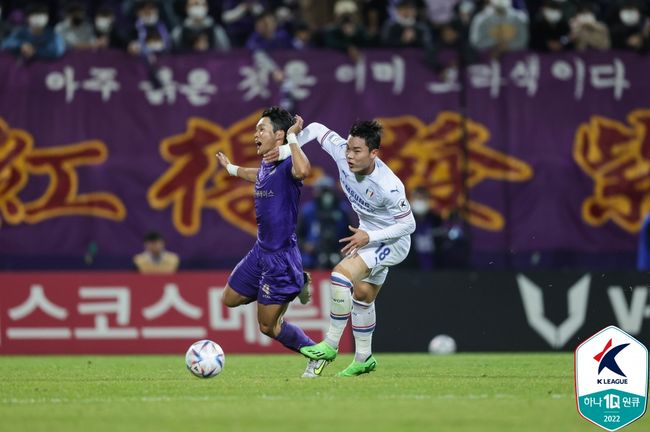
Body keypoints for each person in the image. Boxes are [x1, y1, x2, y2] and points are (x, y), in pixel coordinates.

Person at [265, 116, 416, 377]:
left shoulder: (389, 186)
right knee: (363, 297)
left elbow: (409, 225)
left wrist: (369, 238)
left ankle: (331, 344)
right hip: (367, 233)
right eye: (349, 148)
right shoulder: (341, 150)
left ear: (374, 153)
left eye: (357, 151)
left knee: (340, 275)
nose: (349, 156)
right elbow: (316, 129)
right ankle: (364, 359)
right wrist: (286, 148)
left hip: (392, 240)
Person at [215, 107, 323, 378]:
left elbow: (305, 170)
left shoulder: (288, 162)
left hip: (280, 258)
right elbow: (258, 176)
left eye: (261, 129)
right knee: (229, 298)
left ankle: (315, 354)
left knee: (268, 327)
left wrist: (294, 138)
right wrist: (231, 169)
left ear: (279, 135)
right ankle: (294, 283)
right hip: (260, 251)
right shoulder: (268, 162)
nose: (255, 135)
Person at [297, 175, 352, 269]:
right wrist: (305, 245)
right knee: (305, 261)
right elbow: (297, 236)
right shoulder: (308, 210)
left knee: (349, 263)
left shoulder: (343, 210)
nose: (326, 195)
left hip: (337, 249)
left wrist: (347, 249)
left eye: (328, 191)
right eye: (322, 190)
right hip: (313, 252)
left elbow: (351, 234)